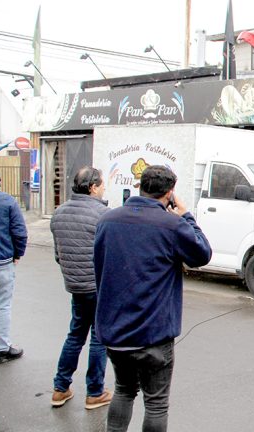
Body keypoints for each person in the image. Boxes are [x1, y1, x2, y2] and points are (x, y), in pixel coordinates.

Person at [93, 165, 212, 432]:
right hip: (154, 334)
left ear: (140, 187)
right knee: (156, 403)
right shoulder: (172, 225)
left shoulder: (107, 221)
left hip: (115, 330)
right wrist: (186, 215)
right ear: (170, 193)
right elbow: (202, 254)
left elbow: (99, 268)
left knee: (124, 390)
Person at [50, 166, 112, 409]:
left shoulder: (59, 212)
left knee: (75, 335)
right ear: (93, 187)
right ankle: (95, 392)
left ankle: (60, 388)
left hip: (75, 285)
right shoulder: (103, 215)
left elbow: (59, 255)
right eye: (102, 184)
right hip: (98, 286)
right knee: (98, 338)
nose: (104, 188)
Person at [0, 163, 27, 365]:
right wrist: (17, 254)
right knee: (1, 307)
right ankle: (1, 350)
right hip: (1, 263)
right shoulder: (7, 200)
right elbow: (19, 232)